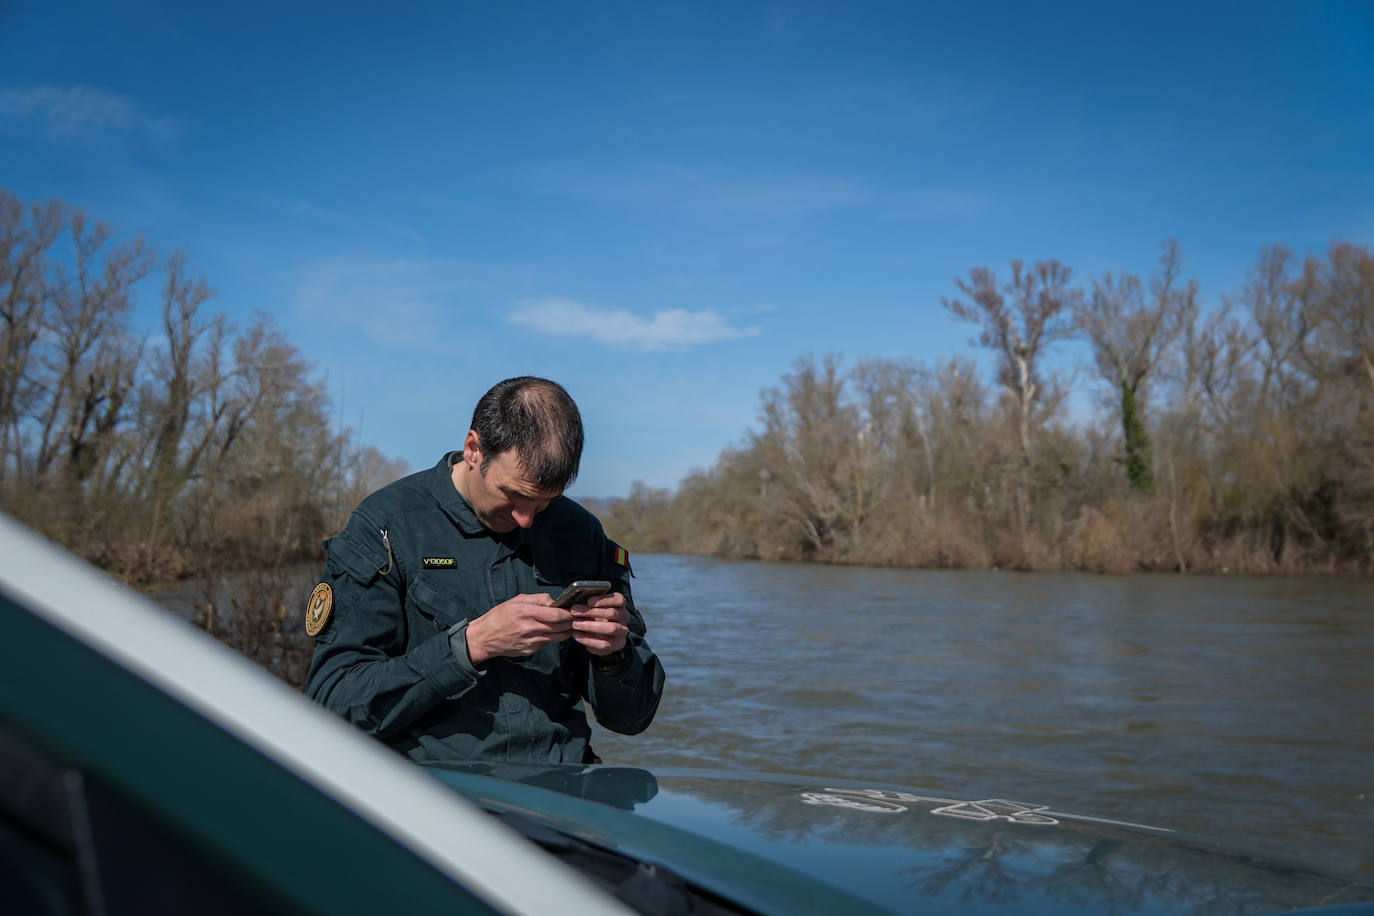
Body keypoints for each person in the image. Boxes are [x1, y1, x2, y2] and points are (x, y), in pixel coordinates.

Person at [303, 377, 665, 765]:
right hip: (433, 799)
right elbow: (333, 702)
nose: (526, 519)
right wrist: (471, 646)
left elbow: (632, 719)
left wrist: (613, 656)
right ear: (473, 449)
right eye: (513, 495)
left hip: (564, 796)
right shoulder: (386, 527)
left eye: (544, 502)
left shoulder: (581, 533)